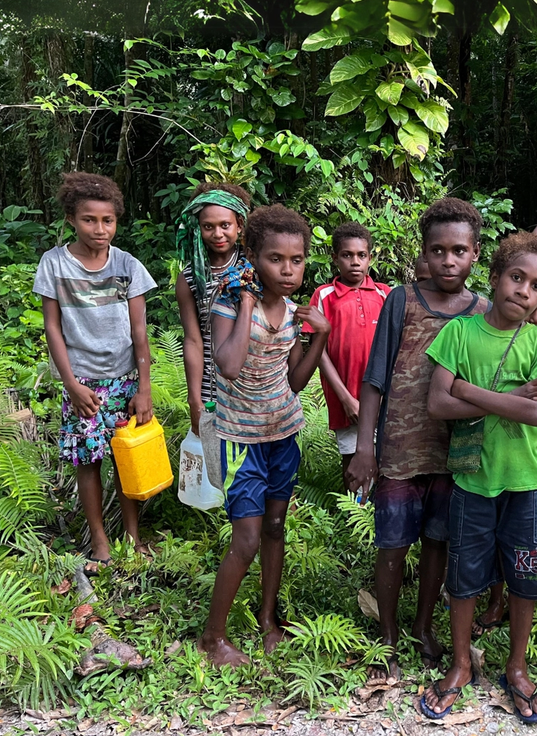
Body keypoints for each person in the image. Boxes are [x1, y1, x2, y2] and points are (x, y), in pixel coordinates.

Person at [419, 231, 537, 725]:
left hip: (528, 484)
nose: (524, 290)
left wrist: (467, 389)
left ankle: (517, 668)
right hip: (472, 483)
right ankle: (461, 664)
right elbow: (438, 404)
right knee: (463, 577)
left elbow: (534, 413)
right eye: (516, 277)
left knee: (526, 577)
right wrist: (510, 396)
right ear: (496, 276)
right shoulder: (459, 334)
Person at [346, 198, 490, 682]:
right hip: (400, 453)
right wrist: (365, 447)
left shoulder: (484, 311)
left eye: (459, 251)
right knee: (392, 543)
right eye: (438, 251)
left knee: (438, 542)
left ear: (475, 253)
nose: (448, 261)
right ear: (424, 253)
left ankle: (424, 626)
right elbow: (375, 378)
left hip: (456, 454)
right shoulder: (401, 301)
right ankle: (387, 634)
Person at [199, 205, 330, 667]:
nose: (288, 270)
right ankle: (213, 638)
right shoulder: (228, 305)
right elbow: (230, 365)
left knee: (275, 527)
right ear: (252, 256)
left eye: (297, 260)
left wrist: (320, 337)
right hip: (241, 440)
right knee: (247, 540)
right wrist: (248, 304)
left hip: (283, 433)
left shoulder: (294, 313)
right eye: (276, 259)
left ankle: (268, 618)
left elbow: (295, 382)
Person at [34, 172, 158, 575]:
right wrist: (70, 384)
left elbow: (139, 331)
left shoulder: (127, 265)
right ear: (72, 218)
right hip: (82, 382)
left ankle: (132, 536)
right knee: (88, 461)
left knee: (126, 456)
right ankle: (100, 540)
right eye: (89, 220)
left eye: (108, 220)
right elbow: (52, 327)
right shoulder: (54, 264)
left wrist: (144, 388)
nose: (100, 229)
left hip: (124, 378)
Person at [471, 285, 537, 642]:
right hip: (502, 459)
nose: (535, 316)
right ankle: (497, 599)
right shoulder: (499, 341)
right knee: (503, 534)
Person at [174, 182, 253, 487]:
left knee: (256, 466)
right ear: (198, 228)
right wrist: (194, 399)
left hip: (255, 383)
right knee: (222, 473)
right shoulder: (190, 279)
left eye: (225, 225)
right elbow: (193, 340)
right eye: (208, 227)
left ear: (240, 225)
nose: (218, 234)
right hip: (213, 388)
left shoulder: (254, 270)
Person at [309, 222, 391, 488]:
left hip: (384, 400)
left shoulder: (385, 294)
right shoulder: (324, 296)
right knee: (353, 464)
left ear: (370, 258)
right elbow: (318, 351)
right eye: (347, 255)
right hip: (347, 401)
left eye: (361, 255)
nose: (355, 262)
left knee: (386, 463)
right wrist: (346, 399)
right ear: (335, 258)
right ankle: (355, 511)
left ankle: (380, 511)